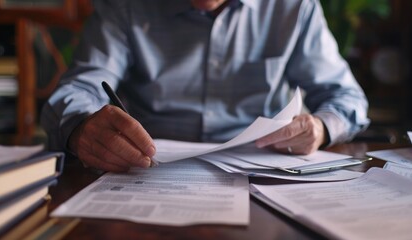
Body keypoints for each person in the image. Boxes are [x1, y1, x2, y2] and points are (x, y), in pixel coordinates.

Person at [41, 0, 370, 172]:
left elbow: (345, 97)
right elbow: (76, 90)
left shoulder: (293, 7)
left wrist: (321, 127)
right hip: (145, 168)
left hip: (262, 174)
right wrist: (82, 126)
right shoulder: (126, 6)